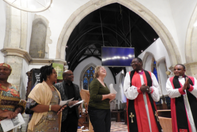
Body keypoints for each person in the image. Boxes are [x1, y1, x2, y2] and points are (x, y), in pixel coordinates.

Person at [123, 57, 162, 132]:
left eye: (135, 62)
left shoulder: (150, 74)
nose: (133, 64)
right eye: (132, 63)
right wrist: (139, 89)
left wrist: (150, 89)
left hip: (149, 104)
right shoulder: (129, 75)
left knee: (152, 123)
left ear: (140, 63)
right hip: (136, 105)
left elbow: (157, 89)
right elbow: (126, 91)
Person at [27, 65, 65, 132]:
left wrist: (60, 107)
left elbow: (56, 104)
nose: (56, 75)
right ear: (48, 75)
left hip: (54, 124)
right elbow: (30, 106)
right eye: (54, 73)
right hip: (42, 124)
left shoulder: (56, 90)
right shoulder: (39, 87)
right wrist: (51, 107)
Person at [166, 64, 197, 132]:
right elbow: (170, 93)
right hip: (178, 106)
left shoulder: (192, 79)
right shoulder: (170, 80)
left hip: (192, 104)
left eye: (178, 69)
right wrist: (181, 89)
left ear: (184, 70)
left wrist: (189, 87)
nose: (176, 71)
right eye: (174, 69)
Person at [88, 66, 116, 132]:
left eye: (104, 69)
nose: (104, 69)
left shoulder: (104, 84)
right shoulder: (95, 82)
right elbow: (93, 97)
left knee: (106, 130)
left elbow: (105, 98)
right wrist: (108, 95)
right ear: (97, 72)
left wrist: (111, 98)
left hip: (106, 109)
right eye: (101, 68)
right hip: (97, 110)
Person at [0, 63, 26, 132]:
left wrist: (17, 111)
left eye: (5, 69)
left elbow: (20, 103)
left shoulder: (14, 88)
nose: (2, 71)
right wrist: (2, 113)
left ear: (9, 72)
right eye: (0, 69)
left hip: (8, 124)